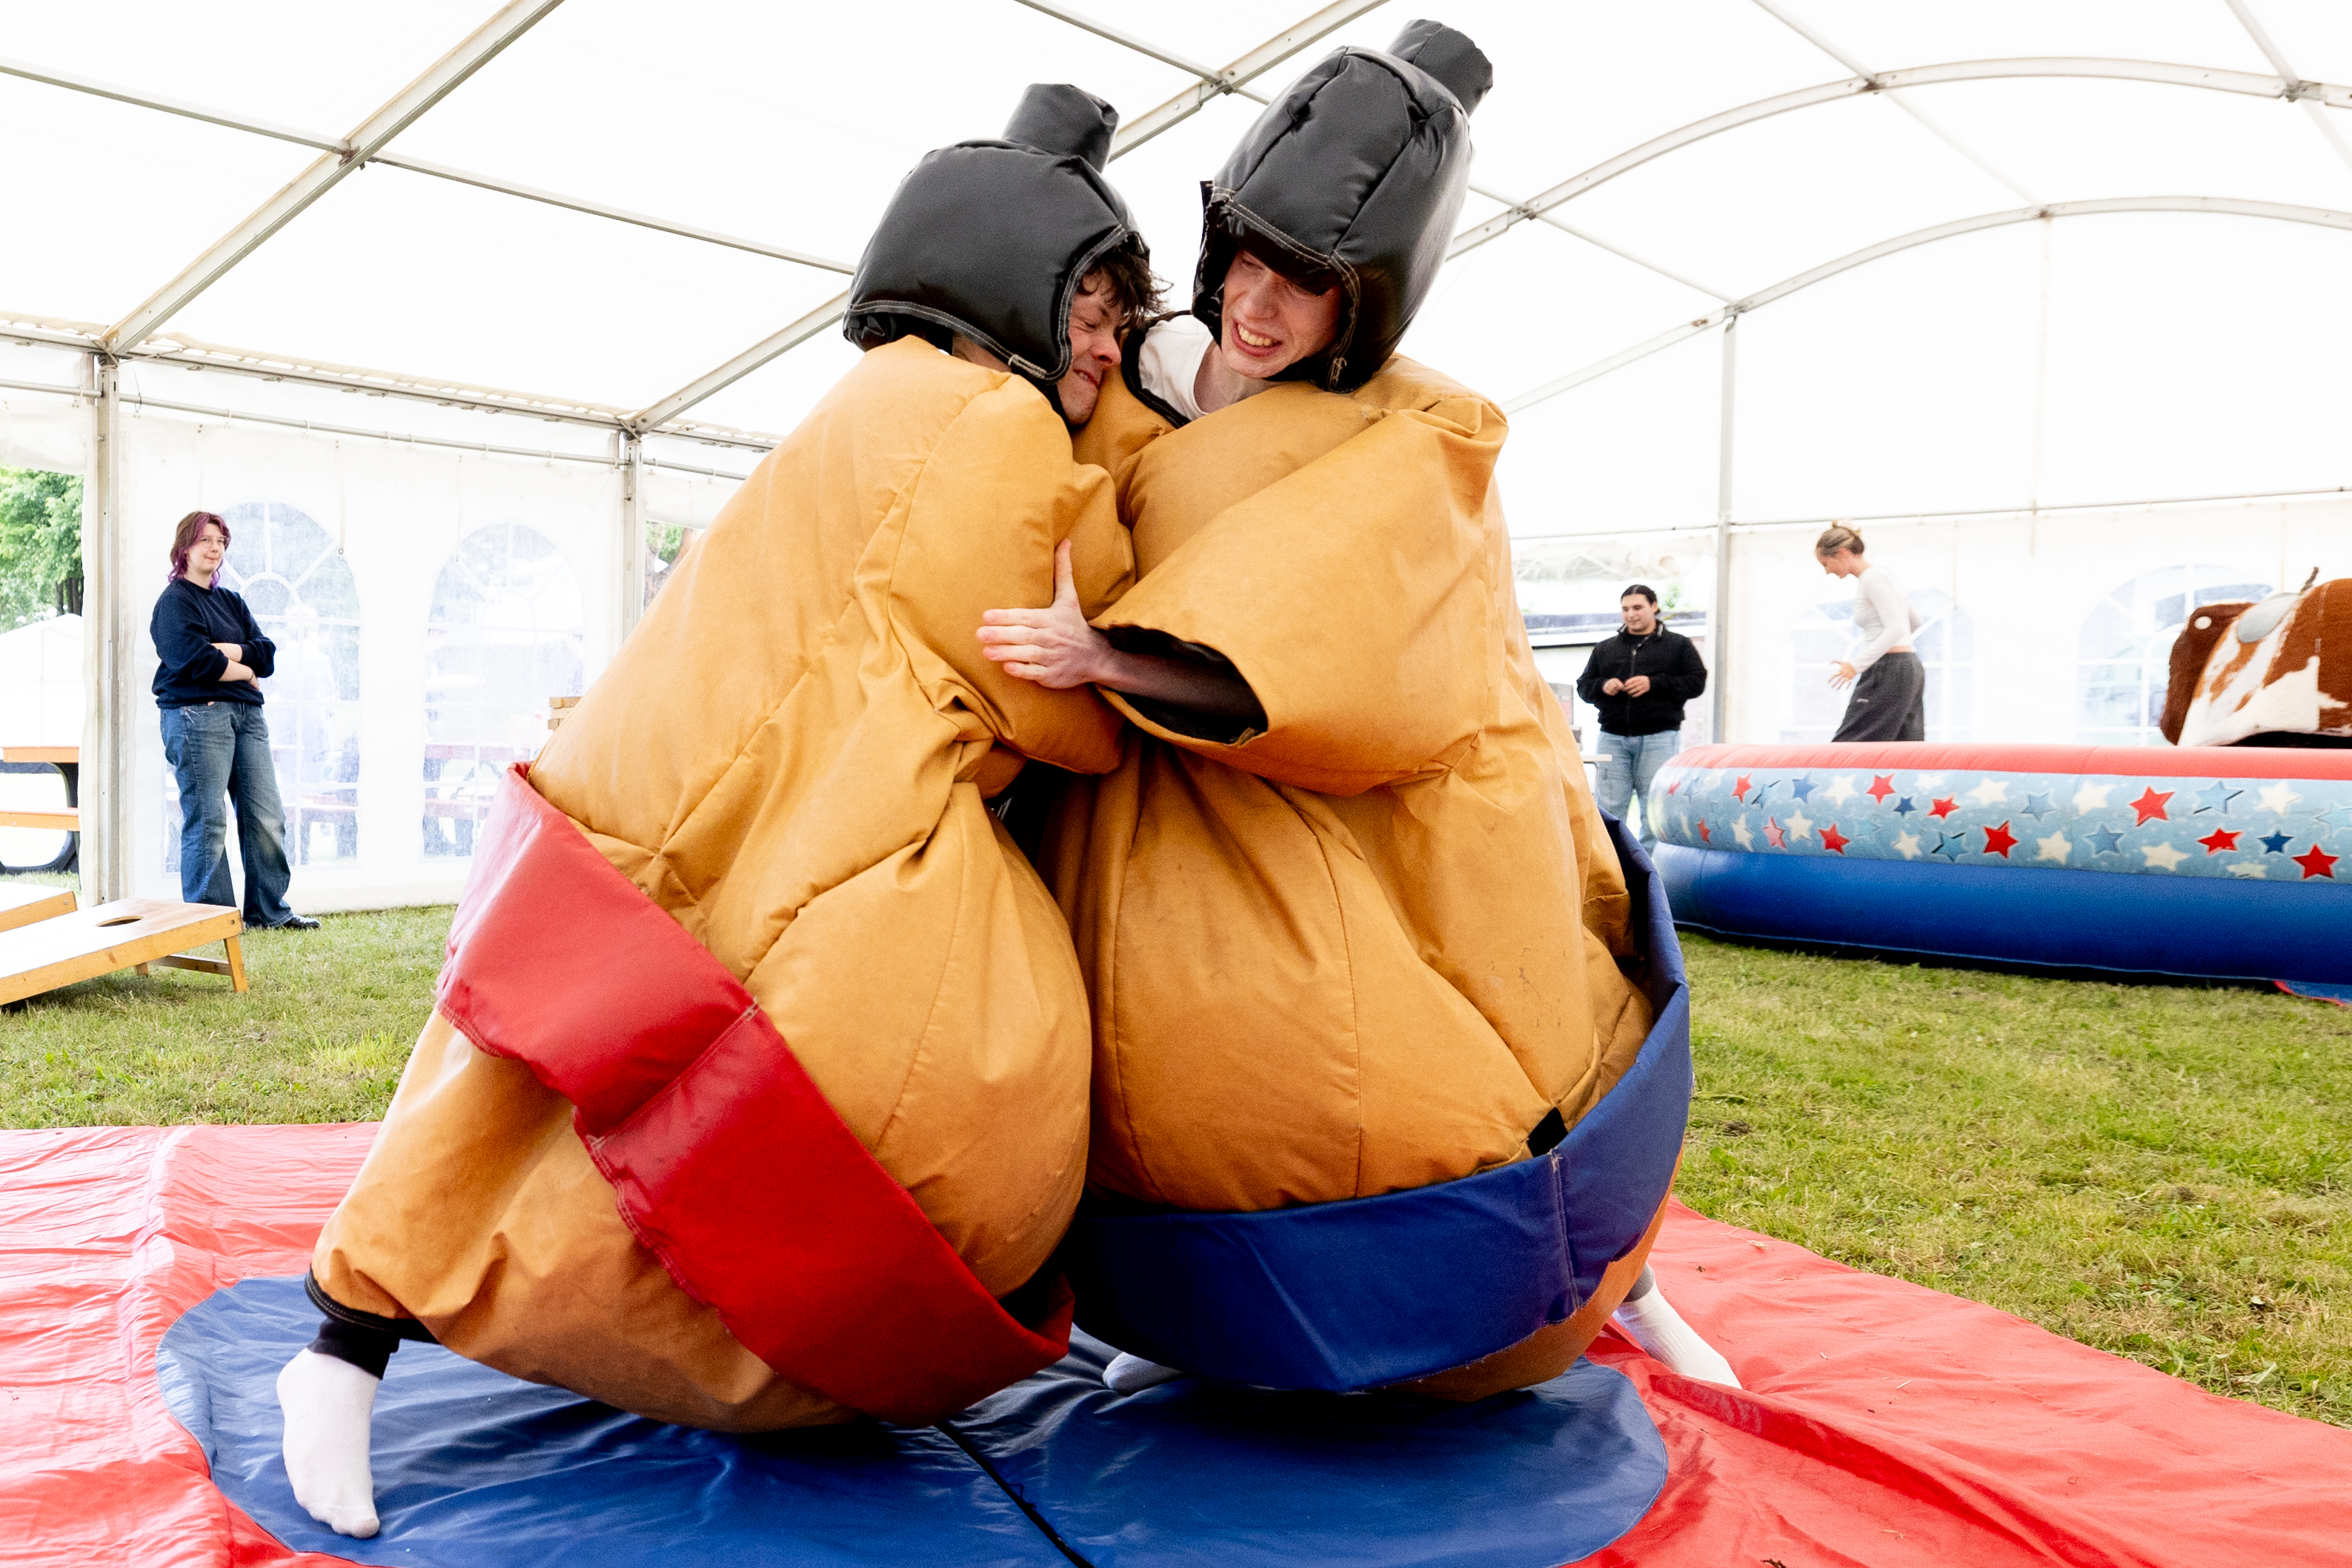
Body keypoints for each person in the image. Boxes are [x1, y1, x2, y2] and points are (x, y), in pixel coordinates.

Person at [277, 84, 1158, 1539]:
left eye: (1122, 328)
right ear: (1017, 285)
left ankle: (353, 1333)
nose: (1107, 352)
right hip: (772, 802)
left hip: (689, 770)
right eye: (1090, 315)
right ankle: (368, 1331)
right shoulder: (988, 425)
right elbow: (1039, 689)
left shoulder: (885, 393)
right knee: (706, 1082)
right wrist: (1103, 602)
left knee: (530, 1061)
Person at [981, 23, 1737, 1397]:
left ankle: (1623, 1279)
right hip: (1158, 805)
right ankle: (1204, 1323)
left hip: (1404, 794)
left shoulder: (1408, 425)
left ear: (1368, 302)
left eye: (1308, 286)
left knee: (1517, 1026)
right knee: (1171, 1054)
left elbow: (1346, 623)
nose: (1260, 310)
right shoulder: (1143, 377)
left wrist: (1109, 659)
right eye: (1249, 267)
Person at [150, 511, 319, 930]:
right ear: (184, 548)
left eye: (221, 542)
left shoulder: (232, 601)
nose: (214, 548)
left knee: (265, 815)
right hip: (197, 716)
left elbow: (267, 653)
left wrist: (234, 653)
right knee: (208, 819)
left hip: (247, 716)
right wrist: (246, 670)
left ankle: (269, 913)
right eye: (205, 540)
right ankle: (214, 920)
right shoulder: (174, 603)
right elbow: (195, 660)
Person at [1575, 583, 1707, 850]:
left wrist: (1654, 683)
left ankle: (1649, 871)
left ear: (1654, 607)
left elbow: (1696, 682)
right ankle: (1613, 869)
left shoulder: (1679, 646)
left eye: (1637, 607)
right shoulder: (1605, 648)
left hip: (1659, 736)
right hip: (1612, 737)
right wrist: (1603, 686)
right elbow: (1583, 686)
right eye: (1625, 609)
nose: (1631, 614)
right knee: (1609, 806)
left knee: (1653, 806)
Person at [1817, 524, 1925, 742]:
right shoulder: (1884, 575)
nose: (1827, 571)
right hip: (1908, 667)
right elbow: (1914, 621)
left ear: (1842, 553)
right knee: (1902, 746)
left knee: (1850, 744)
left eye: (1826, 564)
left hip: (1889, 669)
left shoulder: (1872, 579)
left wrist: (1855, 666)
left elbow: (1897, 628)